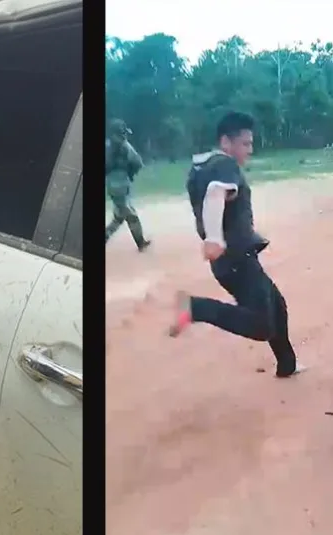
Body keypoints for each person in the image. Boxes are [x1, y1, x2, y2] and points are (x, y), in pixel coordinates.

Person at [168, 111, 303, 379]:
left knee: (276, 306)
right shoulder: (224, 165)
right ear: (226, 142)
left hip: (236, 258)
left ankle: (287, 365)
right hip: (235, 260)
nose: (249, 150)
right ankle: (195, 308)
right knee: (262, 325)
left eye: (250, 143)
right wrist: (215, 237)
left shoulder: (204, 165)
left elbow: (214, 199)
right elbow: (215, 194)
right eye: (245, 143)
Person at [105, 120, 151, 251]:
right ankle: (140, 243)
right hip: (122, 185)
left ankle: (105, 235)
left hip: (112, 186)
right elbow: (138, 163)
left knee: (119, 216)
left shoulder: (106, 146)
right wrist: (130, 171)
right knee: (131, 216)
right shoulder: (125, 146)